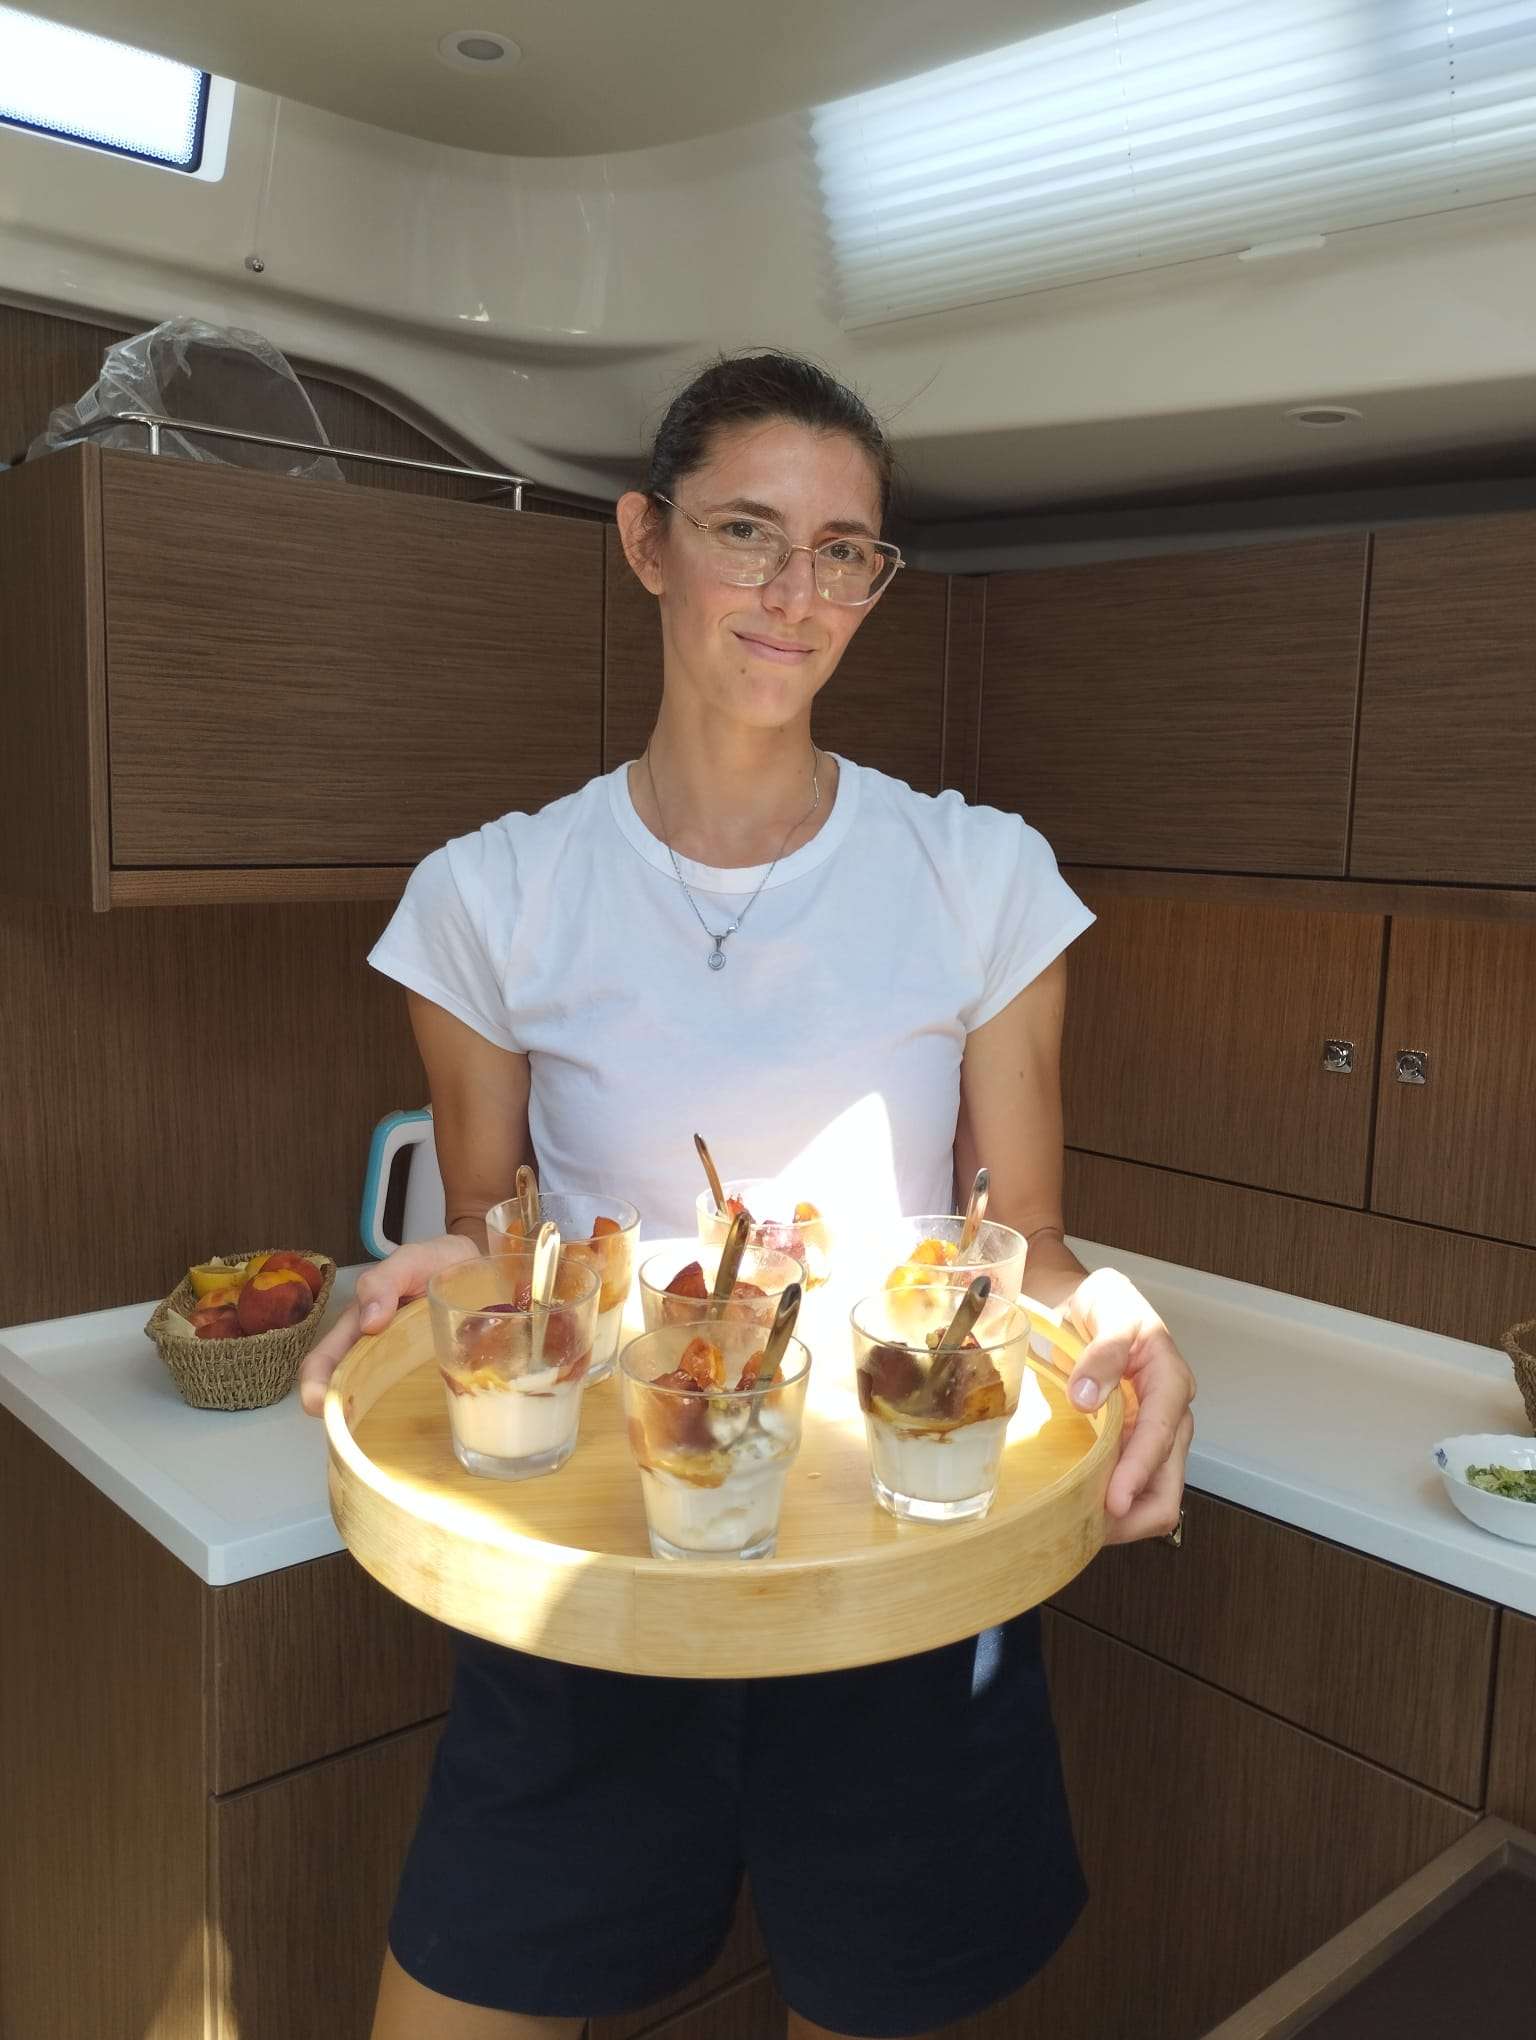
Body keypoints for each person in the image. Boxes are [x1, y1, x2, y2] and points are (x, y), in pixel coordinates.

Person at [301, 349, 1195, 2040]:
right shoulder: (490, 896)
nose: (798, 596)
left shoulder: (981, 876)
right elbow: (509, 1245)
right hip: (600, 1574)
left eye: (844, 551)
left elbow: (1023, 1244)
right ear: (647, 540)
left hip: (898, 1577)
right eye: (747, 533)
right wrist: (444, 1273)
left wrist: (1120, 1320)